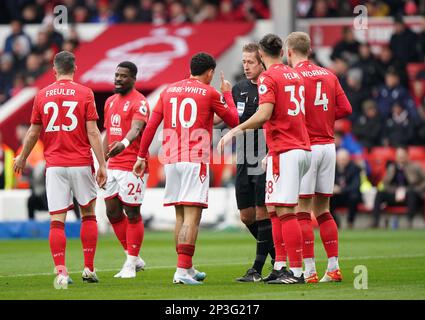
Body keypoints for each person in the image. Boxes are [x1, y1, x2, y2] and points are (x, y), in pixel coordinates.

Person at [133, 52, 239, 285]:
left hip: (170, 160)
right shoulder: (210, 92)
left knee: (181, 215)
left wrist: (141, 155)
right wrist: (228, 93)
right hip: (194, 159)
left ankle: (187, 267)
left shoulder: (168, 91)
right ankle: (181, 271)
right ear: (210, 72)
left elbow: (151, 126)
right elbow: (234, 120)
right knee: (192, 216)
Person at [219, 34, 311, 284]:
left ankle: (295, 270)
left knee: (283, 212)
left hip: (280, 150)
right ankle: (281, 265)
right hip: (288, 148)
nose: (247, 65)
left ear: (261, 55)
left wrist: (236, 131)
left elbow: (264, 114)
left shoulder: (270, 78)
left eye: (251, 59)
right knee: (272, 212)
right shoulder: (294, 75)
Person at [13, 51, 107, 288]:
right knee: (88, 214)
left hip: (54, 166)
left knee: (57, 220)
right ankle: (89, 268)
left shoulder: (42, 95)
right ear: (74, 69)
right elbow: (93, 132)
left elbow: (33, 131)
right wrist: (102, 164)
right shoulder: (85, 93)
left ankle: (62, 271)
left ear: (54, 70)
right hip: (80, 163)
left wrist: (22, 157)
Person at [285, 31, 351, 283]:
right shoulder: (328, 74)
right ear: (309, 50)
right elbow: (345, 108)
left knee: (302, 211)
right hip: (328, 147)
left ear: (289, 52)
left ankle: (310, 270)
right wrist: (324, 118)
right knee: (324, 210)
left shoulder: (293, 77)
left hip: (306, 148)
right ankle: (333, 266)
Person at [230, 43, 275, 282]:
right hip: (244, 154)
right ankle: (278, 257)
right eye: (244, 62)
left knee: (262, 211)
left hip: (265, 153)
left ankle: (257, 269)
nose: (246, 66)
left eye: (250, 62)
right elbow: (227, 119)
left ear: (262, 62)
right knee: (246, 216)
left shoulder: (272, 85)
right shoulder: (238, 89)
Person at [103, 61, 149, 278]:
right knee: (111, 211)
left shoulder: (139, 102)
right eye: (116, 75)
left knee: (131, 212)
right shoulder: (110, 101)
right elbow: (106, 133)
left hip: (133, 164)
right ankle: (135, 258)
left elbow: (136, 128)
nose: (118, 79)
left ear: (133, 79)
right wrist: (101, 164)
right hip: (112, 166)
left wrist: (124, 143)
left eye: (123, 76)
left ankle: (130, 264)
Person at [372, 147, 425, 228]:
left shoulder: (416, 166)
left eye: (402, 156)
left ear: (407, 156)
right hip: (395, 193)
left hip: (410, 193)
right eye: (398, 156)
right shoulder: (391, 167)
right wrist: (395, 190)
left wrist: (416, 189)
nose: (400, 158)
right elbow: (385, 183)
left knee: (412, 194)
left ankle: (409, 221)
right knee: (380, 193)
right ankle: (375, 221)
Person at [329, 148, 362, 228]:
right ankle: (335, 222)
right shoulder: (331, 168)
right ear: (336, 159)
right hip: (336, 196)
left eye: (344, 159)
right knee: (326, 199)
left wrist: (341, 190)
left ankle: (350, 222)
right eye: (340, 159)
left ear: (348, 159)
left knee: (354, 197)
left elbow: (356, 185)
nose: (342, 161)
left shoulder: (354, 168)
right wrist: (331, 188)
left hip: (348, 196)